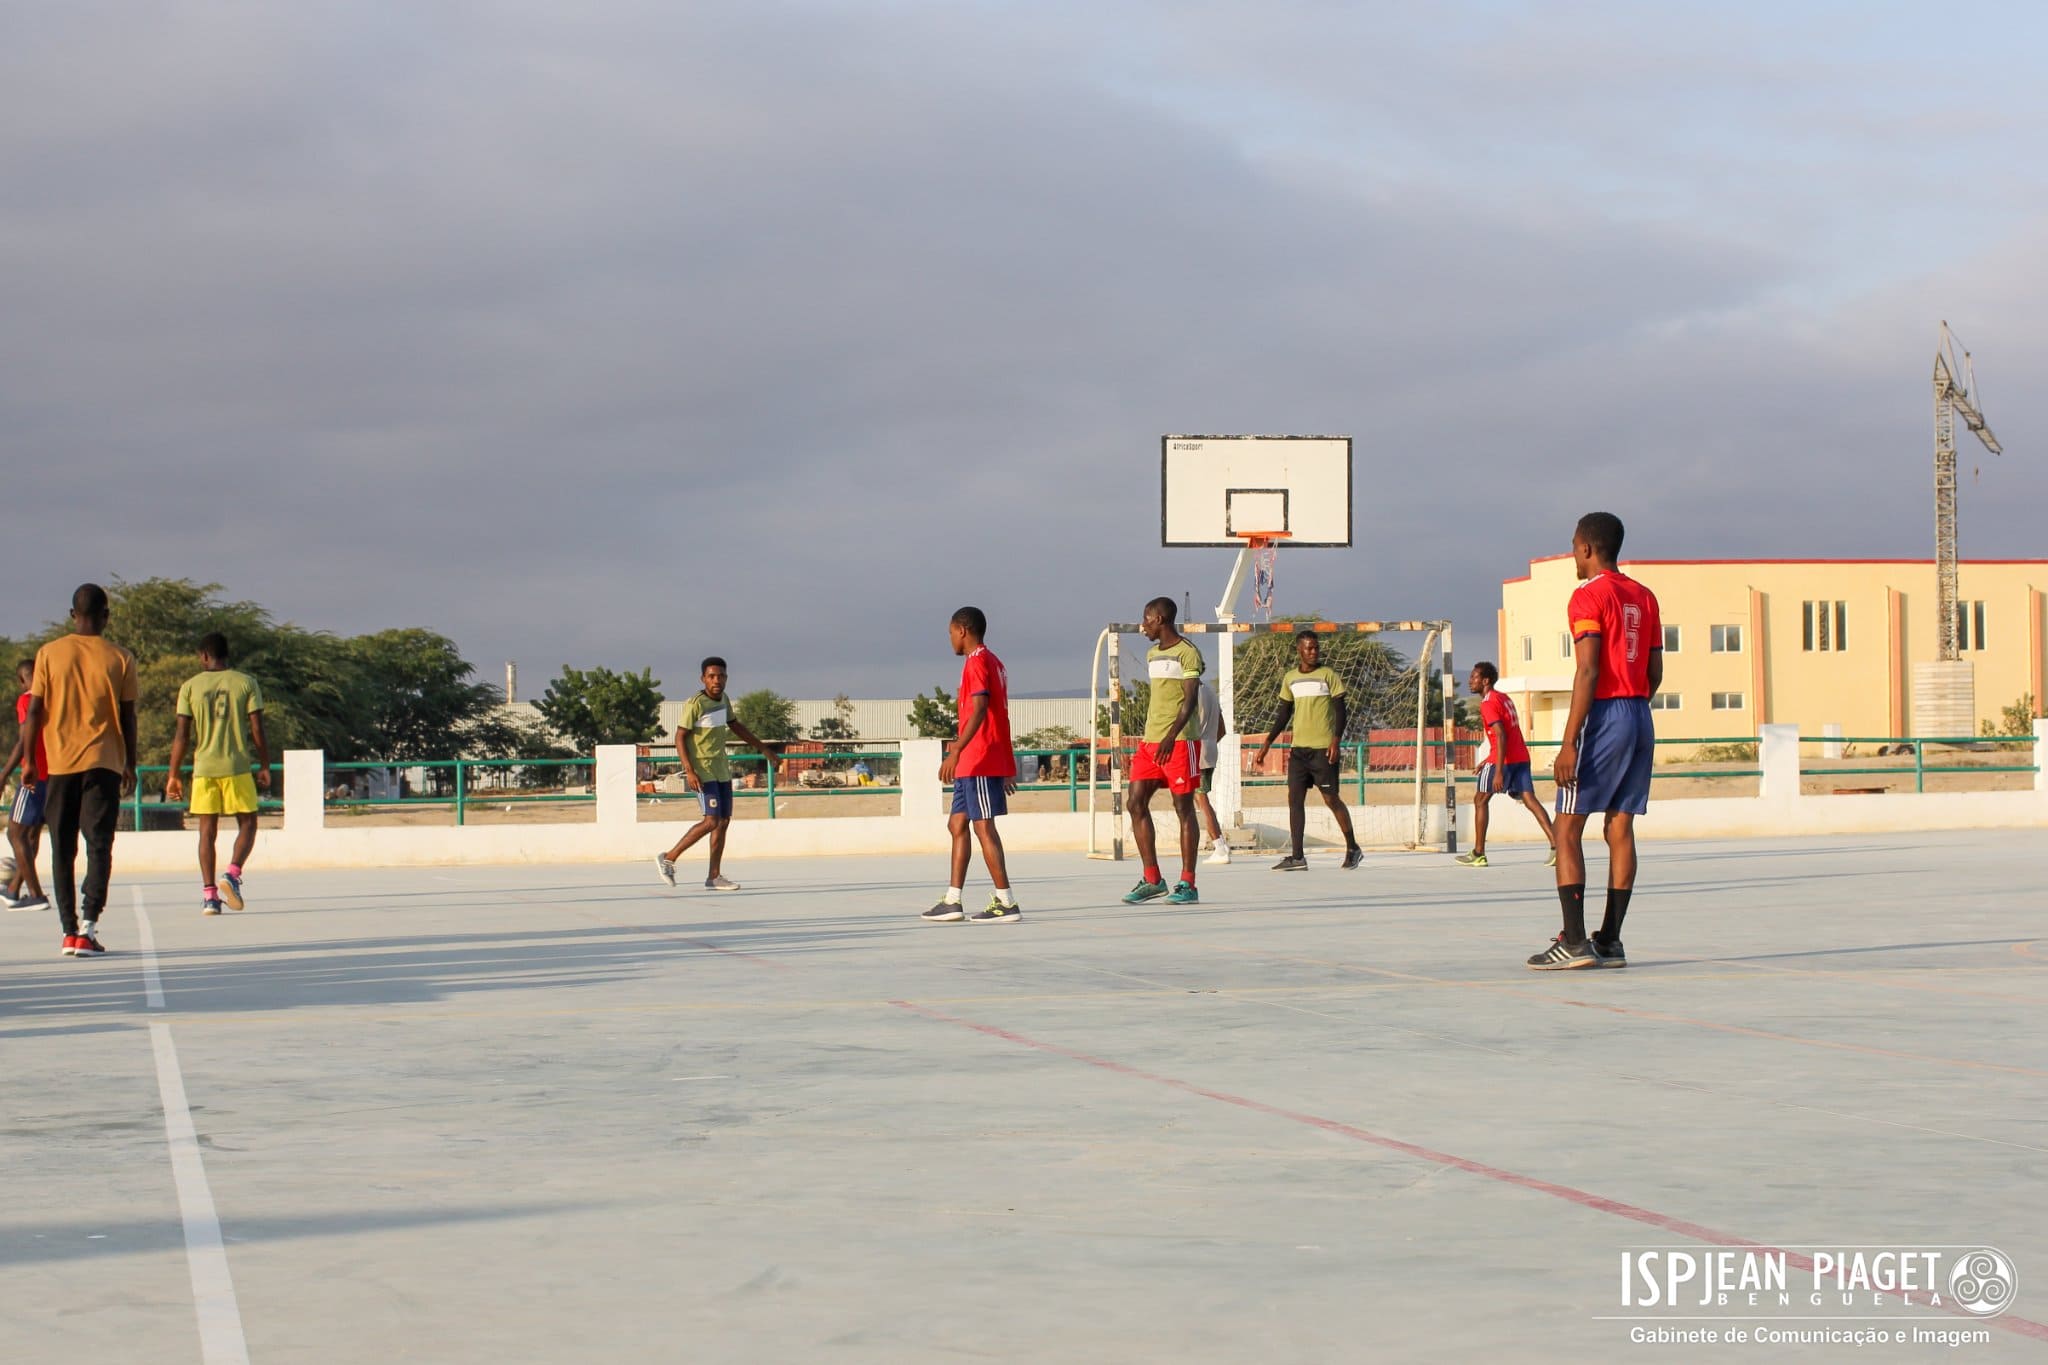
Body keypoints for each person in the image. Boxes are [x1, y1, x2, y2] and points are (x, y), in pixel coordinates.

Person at [1530, 512, 1661, 971]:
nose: (1572, 555)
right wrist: (1633, 707)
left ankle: (1575, 942)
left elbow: (1587, 669)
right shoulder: (1645, 597)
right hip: (1640, 713)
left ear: (1586, 548)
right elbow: (1655, 671)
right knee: (1620, 827)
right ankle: (1610, 941)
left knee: (1567, 828)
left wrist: (1569, 743)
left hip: (1604, 714)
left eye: (1573, 546)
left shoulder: (1588, 595)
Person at [21, 584, 139, 957]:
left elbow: (35, 711)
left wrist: (28, 760)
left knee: (62, 846)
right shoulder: (121, 658)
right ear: (106, 616)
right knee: (99, 843)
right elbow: (127, 717)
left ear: (72, 615)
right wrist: (130, 763)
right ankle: (88, 926)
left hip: (58, 764)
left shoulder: (49, 654)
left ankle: (68, 930)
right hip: (103, 762)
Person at [923, 606, 1020, 923]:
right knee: (956, 825)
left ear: (962, 630)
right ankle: (953, 900)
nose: (950, 638)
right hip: (974, 761)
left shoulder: (978, 661)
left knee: (983, 826)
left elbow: (981, 710)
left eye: (950, 632)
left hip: (977, 758)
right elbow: (1000, 716)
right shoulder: (992, 662)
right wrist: (1007, 764)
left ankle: (1006, 901)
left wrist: (955, 750)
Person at [164, 633, 271, 915]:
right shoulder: (246, 683)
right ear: (227, 654)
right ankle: (233, 874)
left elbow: (182, 735)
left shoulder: (189, 687)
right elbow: (257, 729)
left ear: (203, 656)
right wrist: (264, 765)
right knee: (248, 823)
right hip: (236, 766)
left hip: (204, 768)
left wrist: (173, 773)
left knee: (206, 832)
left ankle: (210, 896)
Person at [654, 657, 780, 891]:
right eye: (711, 676)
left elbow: (735, 725)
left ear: (726, 678)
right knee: (710, 820)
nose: (716, 680)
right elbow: (680, 736)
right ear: (703, 678)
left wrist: (763, 748)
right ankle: (669, 857)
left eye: (720, 676)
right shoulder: (695, 704)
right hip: (702, 769)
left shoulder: (724, 700)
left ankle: (714, 876)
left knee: (723, 822)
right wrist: (689, 770)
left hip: (721, 768)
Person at [1251, 630, 1363, 871]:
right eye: (1309, 648)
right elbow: (1283, 714)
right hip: (1299, 752)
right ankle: (1298, 856)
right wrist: (1267, 743)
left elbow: (1340, 711)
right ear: (1299, 650)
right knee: (1294, 800)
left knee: (1331, 799)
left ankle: (1353, 847)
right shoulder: (1290, 678)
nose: (1313, 652)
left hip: (1323, 749)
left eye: (1316, 648)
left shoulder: (1328, 676)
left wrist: (1336, 740)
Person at [1122, 598, 1203, 905]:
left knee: (1183, 809)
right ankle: (1153, 879)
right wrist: (1156, 738)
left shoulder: (1188, 653)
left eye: (1146, 619)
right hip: (1150, 742)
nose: (1143, 625)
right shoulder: (1153, 653)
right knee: (1134, 802)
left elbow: (1190, 699)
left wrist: (1171, 736)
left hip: (1180, 742)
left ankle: (1188, 883)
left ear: (1159, 619)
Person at [1456, 662, 1557, 869]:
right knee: (1530, 800)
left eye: (1474, 677)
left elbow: (1501, 735)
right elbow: (1506, 734)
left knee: (1480, 800)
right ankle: (1558, 846)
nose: (1470, 680)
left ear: (1485, 681)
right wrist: (1487, 759)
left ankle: (1478, 853)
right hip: (1520, 757)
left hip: (1505, 760)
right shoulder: (1504, 698)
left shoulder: (1487, 703)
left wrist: (1498, 771)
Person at [2, 658, 52, 912]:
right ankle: (13, 890)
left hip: (35, 776)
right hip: (55, 776)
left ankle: (36, 894)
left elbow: (23, 742)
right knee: (31, 835)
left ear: (22, 680)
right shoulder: (54, 699)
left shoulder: (26, 700)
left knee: (15, 832)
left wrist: (3, 775)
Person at [1193, 677, 1231, 865]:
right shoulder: (1210, 692)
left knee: (1201, 799)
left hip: (1195, 751)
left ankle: (1219, 845)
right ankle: (1218, 844)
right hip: (1210, 749)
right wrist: (1208, 743)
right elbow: (1222, 729)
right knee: (1198, 798)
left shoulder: (1191, 692)